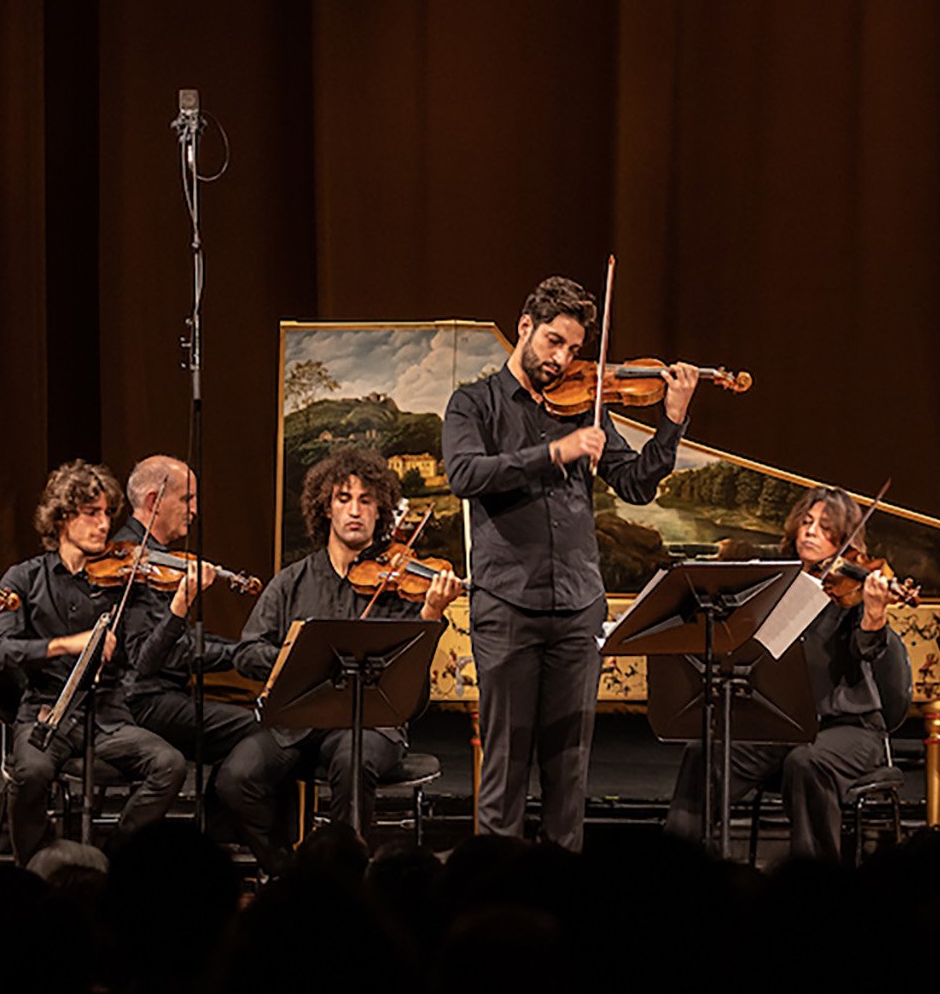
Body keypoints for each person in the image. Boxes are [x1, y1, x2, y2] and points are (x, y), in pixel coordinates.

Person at [442, 275, 697, 849]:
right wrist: (553, 452)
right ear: (524, 327)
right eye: (553, 342)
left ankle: (561, 893)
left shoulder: (586, 407)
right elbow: (465, 474)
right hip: (507, 605)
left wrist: (672, 421)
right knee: (505, 767)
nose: (562, 359)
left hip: (578, 607)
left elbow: (635, 485)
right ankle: (496, 888)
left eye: (574, 349)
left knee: (569, 771)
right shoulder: (474, 403)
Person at [221, 448, 462, 873]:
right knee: (235, 778)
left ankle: (343, 878)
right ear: (325, 508)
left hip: (370, 725)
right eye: (344, 498)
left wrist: (429, 615)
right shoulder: (292, 581)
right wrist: (296, 660)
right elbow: (247, 651)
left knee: (352, 758)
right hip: (298, 724)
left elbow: (412, 688)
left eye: (366, 500)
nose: (354, 510)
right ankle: (285, 867)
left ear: (380, 511)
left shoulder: (400, 585)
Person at [665, 486, 903, 860]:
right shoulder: (776, 584)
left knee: (806, 762)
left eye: (825, 527)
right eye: (806, 522)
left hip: (848, 728)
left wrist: (874, 614)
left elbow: (868, 650)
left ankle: (813, 878)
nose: (810, 532)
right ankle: (675, 865)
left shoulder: (853, 594)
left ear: (844, 538)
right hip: (783, 724)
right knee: (704, 752)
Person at [0, 460, 188, 864]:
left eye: (107, 514)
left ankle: (110, 863)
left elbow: (146, 662)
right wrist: (67, 645)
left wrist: (177, 610)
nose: (104, 525)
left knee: (170, 764)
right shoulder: (24, 579)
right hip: (46, 714)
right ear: (62, 517)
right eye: (91, 513)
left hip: (107, 718)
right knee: (32, 773)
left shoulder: (124, 581)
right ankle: (38, 868)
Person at [117, 455, 259, 814]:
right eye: (187, 499)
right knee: (256, 731)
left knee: (253, 721)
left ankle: (217, 825)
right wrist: (237, 656)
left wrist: (241, 650)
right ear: (154, 501)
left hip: (162, 692)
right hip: (138, 699)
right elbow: (153, 656)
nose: (194, 510)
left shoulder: (158, 560)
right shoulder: (130, 565)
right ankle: (222, 827)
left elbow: (183, 641)